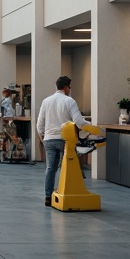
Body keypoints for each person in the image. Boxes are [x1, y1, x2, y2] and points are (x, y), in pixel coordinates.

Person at [35, 75, 94, 207]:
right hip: (65, 140)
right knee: (67, 166)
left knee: (50, 168)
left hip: (49, 139)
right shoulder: (69, 101)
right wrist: (90, 126)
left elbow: (39, 124)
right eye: (70, 86)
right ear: (66, 87)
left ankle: (48, 196)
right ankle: (64, 192)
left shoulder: (46, 101)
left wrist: (43, 138)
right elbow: (78, 121)